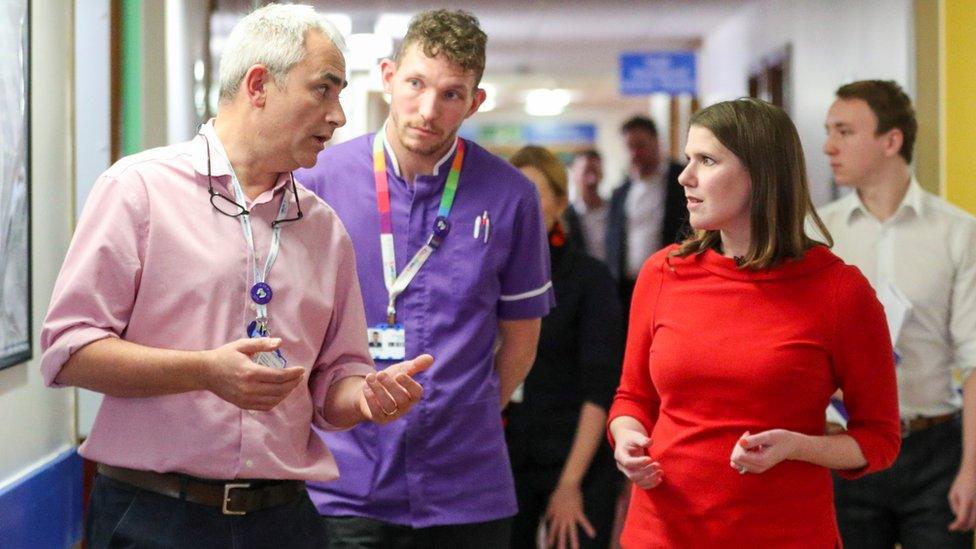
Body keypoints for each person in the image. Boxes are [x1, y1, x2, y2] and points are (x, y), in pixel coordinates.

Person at [39, 5, 432, 547]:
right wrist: (204, 372)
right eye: (324, 90)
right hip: (154, 515)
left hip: (283, 521)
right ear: (259, 85)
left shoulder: (324, 229)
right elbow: (68, 350)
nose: (339, 116)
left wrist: (365, 397)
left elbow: (334, 382)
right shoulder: (138, 191)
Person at [295, 9, 554, 547]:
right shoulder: (317, 181)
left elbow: (522, 342)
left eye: (452, 94)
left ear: (475, 102)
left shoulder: (510, 196)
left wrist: (463, 411)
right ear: (389, 77)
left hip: (466, 490)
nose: (428, 110)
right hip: (343, 485)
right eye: (416, 84)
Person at [608, 98, 901, 547]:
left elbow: (879, 439)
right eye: (688, 159)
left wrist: (798, 446)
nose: (685, 177)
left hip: (783, 532)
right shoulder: (662, 272)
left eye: (706, 160)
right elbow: (632, 398)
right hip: (662, 531)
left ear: (760, 175)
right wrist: (627, 439)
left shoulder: (840, 291)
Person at [820, 80, 976, 548]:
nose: (828, 146)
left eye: (844, 132)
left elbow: (974, 360)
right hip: (844, 447)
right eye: (829, 131)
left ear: (892, 141)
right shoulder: (816, 233)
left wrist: (972, 469)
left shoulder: (958, 233)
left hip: (933, 449)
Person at [505, 146, 623, 549]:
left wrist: (570, 484)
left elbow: (600, 388)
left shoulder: (589, 278)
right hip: (510, 460)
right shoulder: (490, 276)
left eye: (532, 195)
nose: (520, 207)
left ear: (559, 202)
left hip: (577, 458)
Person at [606, 116, 688, 319]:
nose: (635, 154)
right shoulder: (621, 192)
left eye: (640, 146)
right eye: (629, 147)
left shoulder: (682, 181)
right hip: (628, 290)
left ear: (656, 142)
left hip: (673, 283)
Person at [563, 149, 609, 263]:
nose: (592, 179)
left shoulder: (615, 211)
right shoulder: (565, 217)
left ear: (602, 174)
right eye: (586, 171)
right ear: (574, 175)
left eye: (595, 171)